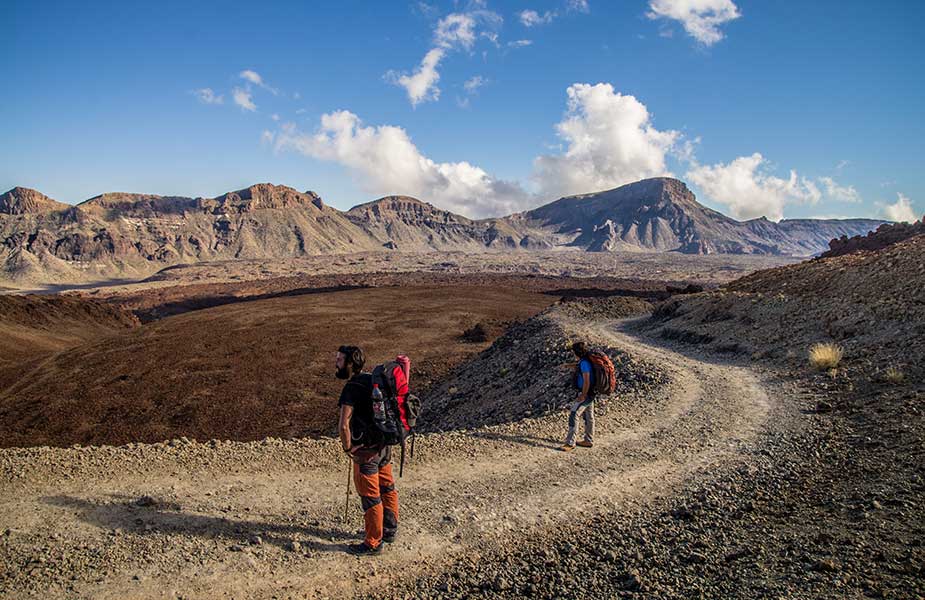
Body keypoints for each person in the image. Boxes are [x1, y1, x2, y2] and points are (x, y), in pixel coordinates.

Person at [336, 345, 399, 556]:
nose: (336, 362)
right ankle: (390, 530)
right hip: (384, 446)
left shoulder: (351, 388)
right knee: (387, 487)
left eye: (339, 359)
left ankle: (373, 541)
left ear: (350, 363)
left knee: (371, 497)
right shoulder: (373, 379)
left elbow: (344, 424)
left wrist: (348, 448)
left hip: (366, 452)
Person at [560, 341, 595, 452]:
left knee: (574, 413)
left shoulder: (584, 363)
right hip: (591, 392)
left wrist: (583, 395)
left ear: (577, 352)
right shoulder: (585, 361)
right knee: (589, 416)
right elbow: (578, 366)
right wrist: (567, 366)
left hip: (587, 393)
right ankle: (588, 440)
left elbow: (586, 380)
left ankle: (570, 443)